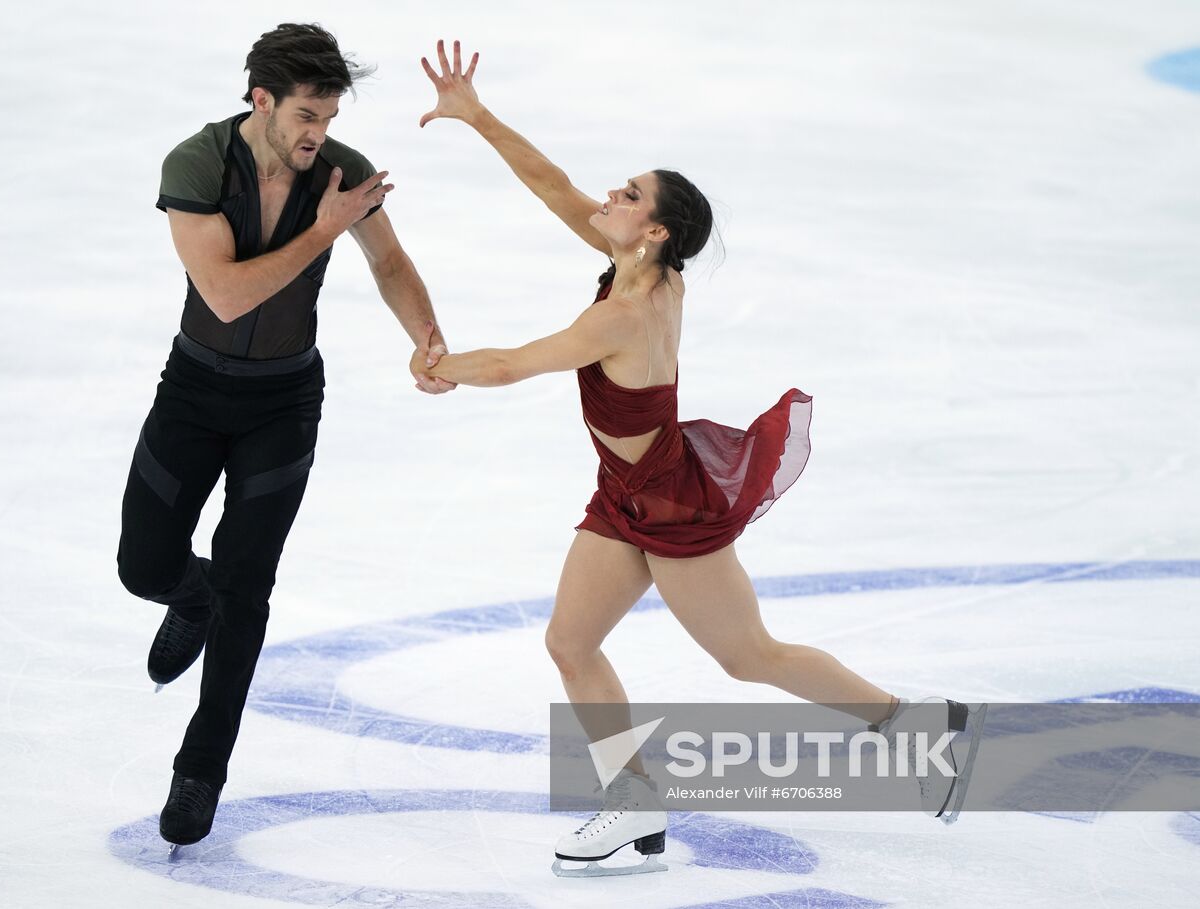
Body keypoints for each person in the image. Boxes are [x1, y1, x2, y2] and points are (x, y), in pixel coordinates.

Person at [414, 40, 987, 875]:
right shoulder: (645, 266)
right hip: (625, 491)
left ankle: (917, 728)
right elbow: (552, 186)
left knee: (749, 656)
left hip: (671, 502)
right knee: (571, 641)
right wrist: (477, 115)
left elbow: (510, 364)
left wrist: (437, 365)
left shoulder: (626, 311)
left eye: (629, 194)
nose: (608, 194)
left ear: (654, 230)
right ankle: (633, 802)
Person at [116, 23, 456, 852]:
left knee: (248, 591)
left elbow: (389, 261)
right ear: (261, 99)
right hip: (194, 389)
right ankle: (186, 595)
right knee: (144, 567)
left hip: (284, 401)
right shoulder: (196, 165)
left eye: (330, 114)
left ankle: (202, 769)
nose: (319, 132)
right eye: (307, 113)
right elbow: (227, 295)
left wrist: (426, 334)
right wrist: (326, 226)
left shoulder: (338, 171)